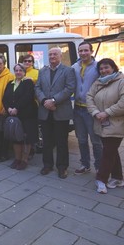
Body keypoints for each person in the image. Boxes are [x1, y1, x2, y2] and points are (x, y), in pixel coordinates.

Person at [35, 47, 76, 179]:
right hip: (45, 111)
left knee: (61, 141)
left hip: (61, 111)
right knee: (47, 141)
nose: (52, 56)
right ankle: (47, 165)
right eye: (50, 54)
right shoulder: (42, 71)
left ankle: (62, 167)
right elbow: (37, 87)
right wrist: (44, 101)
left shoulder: (68, 70)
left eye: (55, 54)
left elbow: (70, 88)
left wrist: (54, 100)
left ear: (60, 56)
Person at [86, 58, 124, 194]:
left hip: (116, 123)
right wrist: (96, 113)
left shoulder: (121, 81)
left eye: (106, 67)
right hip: (101, 122)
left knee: (107, 153)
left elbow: (122, 103)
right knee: (112, 152)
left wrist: (106, 113)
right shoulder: (98, 82)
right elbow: (89, 97)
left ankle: (101, 179)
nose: (104, 70)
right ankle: (118, 177)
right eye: (101, 69)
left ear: (113, 67)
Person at [72, 41, 102, 174]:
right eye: (81, 51)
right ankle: (85, 164)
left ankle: (99, 167)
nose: (83, 53)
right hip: (78, 109)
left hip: (92, 109)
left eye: (86, 50)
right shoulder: (75, 67)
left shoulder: (98, 67)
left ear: (91, 51)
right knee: (82, 139)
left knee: (96, 140)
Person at [2, 63, 38, 170]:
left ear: (24, 72)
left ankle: (24, 160)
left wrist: (16, 108)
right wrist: (8, 108)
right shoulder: (10, 83)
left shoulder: (28, 83)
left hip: (27, 114)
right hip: (13, 114)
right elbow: (4, 98)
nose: (18, 72)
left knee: (26, 138)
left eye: (20, 70)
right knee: (16, 138)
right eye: (16, 70)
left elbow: (27, 97)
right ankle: (17, 159)